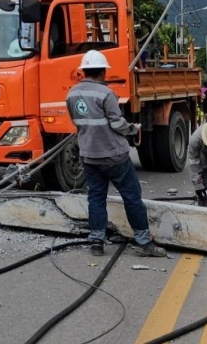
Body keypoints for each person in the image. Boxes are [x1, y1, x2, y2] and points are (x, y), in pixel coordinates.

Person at [67, 49, 168, 258]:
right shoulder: (106, 94)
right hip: (114, 155)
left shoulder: (72, 93)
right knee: (131, 196)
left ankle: (96, 240)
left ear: (84, 71)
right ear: (103, 71)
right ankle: (143, 241)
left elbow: (78, 123)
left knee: (96, 197)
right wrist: (133, 128)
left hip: (89, 155)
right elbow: (117, 123)